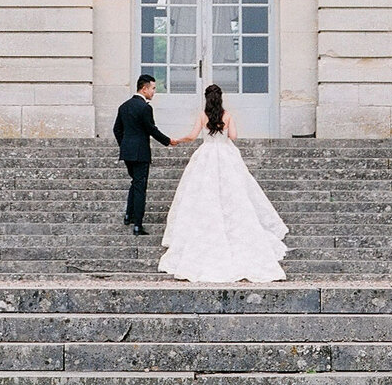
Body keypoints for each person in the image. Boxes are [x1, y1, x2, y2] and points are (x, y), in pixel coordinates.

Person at [157, 83, 288, 284]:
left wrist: (178, 140)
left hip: (207, 154)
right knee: (234, 193)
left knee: (201, 193)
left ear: (206, 98)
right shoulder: (227, 115)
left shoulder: (202, 115)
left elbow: (192, 136)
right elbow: (233, 137)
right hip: (226, 154)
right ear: (221, 98)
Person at [112, 73, 173, 235]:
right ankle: (137, 224)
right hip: (141, 153)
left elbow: (117, 129)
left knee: (135, 182)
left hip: (127, 153)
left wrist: (124, 145)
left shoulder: (124, 106)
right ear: (144, 89)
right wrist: (168, 141)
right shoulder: (145, 108)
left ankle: (128, 215)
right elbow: (151, 129)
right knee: (140, 187)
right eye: (153, 88)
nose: (154, 92)